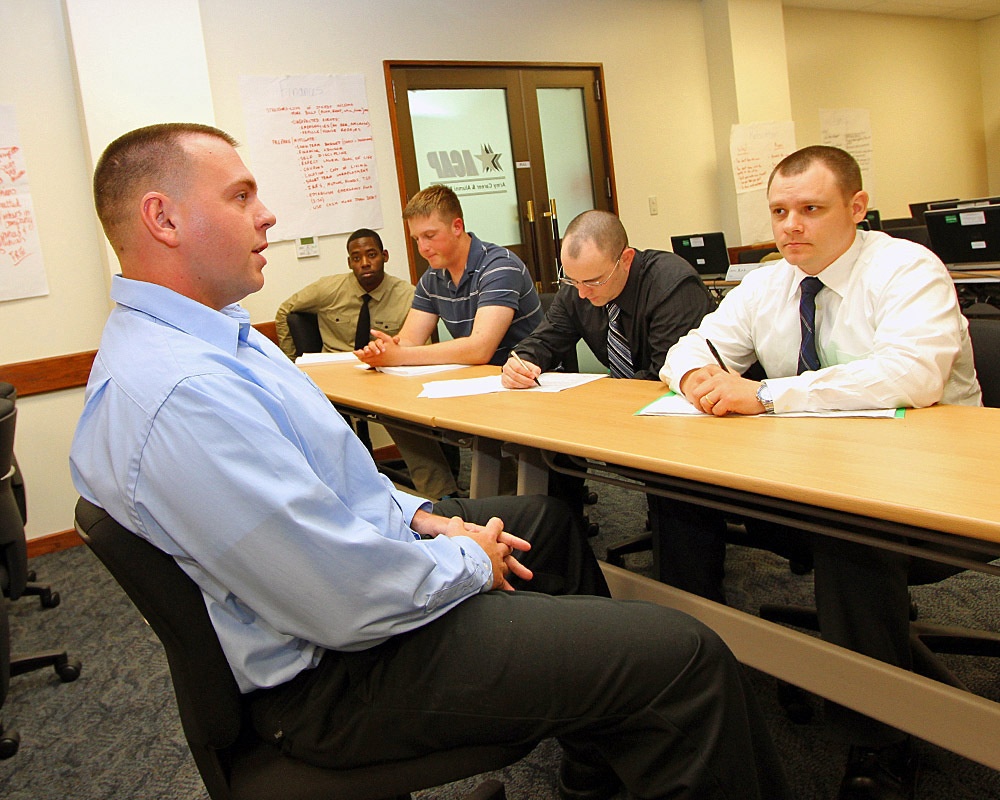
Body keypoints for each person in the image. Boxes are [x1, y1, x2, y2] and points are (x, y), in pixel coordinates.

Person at [71, 122, 791, 800]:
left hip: (348, 610)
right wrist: (472, 559)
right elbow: (341, 594)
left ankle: (593, 767)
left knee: (547, 522)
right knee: (684, 655)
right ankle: (622, 695)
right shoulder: (182, 394)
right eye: (241, 195)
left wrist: (424, 517)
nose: (268, 215)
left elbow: (337, 487)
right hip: (340, 675)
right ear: (163, 219)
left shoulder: (217, 338)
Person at [661, 145, 981, 800]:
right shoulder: (769, 282)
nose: (790, 227)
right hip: (806, 482)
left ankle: (881, 738)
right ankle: (692, 663)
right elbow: (696, 344)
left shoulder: (906, 269)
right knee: (672, 486)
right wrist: (695, 374)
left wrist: (768, 395)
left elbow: (910, 377)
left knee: (850, 535)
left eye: (811, 209)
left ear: (857, 208)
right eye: (779, 211)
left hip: (931, 493)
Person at [503, 210, 717, 588]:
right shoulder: (579, 288)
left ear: (627, 259)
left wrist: (598, 404)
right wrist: (521, 362)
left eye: (593, 281)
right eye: (572, 280)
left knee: (672, 480)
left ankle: (689, 596)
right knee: (551, 445)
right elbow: (545, 339)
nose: (582, 292)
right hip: (626, 413)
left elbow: (668, 377)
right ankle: (558, 562)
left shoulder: (672, 284)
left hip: (691, 420)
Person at [274, 229, 461, 500]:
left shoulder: (408, 295)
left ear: (384, 256)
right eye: (357, 257)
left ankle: (441, 494)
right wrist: (291, 363)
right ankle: (339, 492)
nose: (365, 263)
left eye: (371, 255)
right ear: (349, 262)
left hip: (385, 376)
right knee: (315, 419)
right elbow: (285, 311)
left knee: (402, 416)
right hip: (335, 374)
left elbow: (420, 347)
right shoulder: (329, 289)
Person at [355, 184, 543, 368]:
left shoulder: (500, 266)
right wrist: (384, 350)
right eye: (417, 239)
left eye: (430, 235)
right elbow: (410, 340)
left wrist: (401, 355)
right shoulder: (432, 278)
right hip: (482, 379)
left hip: (530, 377)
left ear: (457, 227)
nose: (422, 248)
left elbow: (480, 348)